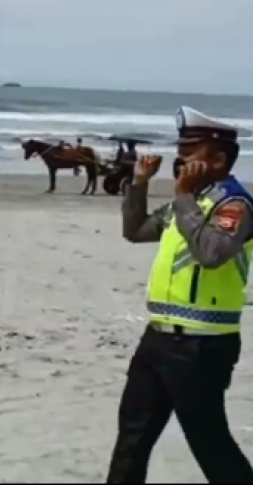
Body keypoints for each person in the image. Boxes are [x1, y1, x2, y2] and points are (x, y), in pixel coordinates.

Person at [108, 106, 253, 483]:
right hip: (157, 338)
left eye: (193, 150)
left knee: (210, 445)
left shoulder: (234, 205)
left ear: (219, 159)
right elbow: (136, 230)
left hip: (202, 347)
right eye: (181, 148)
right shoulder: (183, 203)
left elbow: (212, 253)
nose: (182, 157)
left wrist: (185, 196)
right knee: (132, 438)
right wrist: (139, 183)